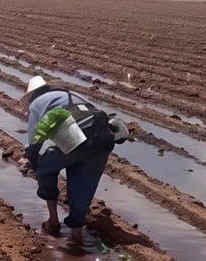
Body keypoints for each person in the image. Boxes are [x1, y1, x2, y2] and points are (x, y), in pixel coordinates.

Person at [22, 76, 128, 240]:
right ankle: (77, 233)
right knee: (83, 184)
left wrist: (35, 162)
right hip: (103, 135)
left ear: (31, 96)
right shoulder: (71, 95)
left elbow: (34, 140)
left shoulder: (37, 103)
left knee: (45, 168)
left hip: (80, 132)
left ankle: (53, 222)